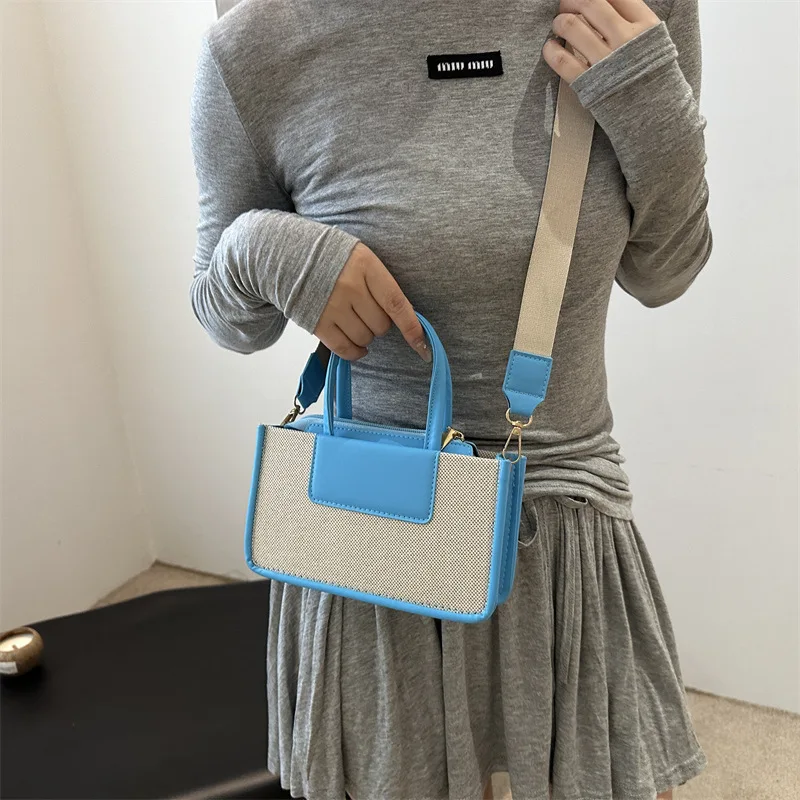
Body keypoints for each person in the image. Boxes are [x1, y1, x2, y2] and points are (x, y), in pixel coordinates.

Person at [189, 0, 712, 797]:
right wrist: (258, 247)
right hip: (371, 541)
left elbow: (666, 270)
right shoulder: (254, 43)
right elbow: (229, 320)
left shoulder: (625, 8)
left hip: (562, 529)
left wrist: (648, 101)